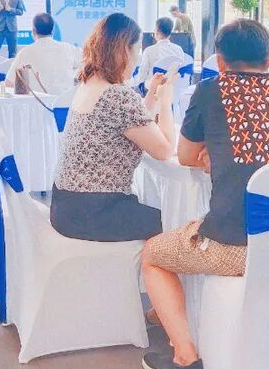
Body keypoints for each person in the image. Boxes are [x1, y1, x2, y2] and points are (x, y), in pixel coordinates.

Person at [140, 19, 269, 369]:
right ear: (268, 59)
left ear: (220, 61)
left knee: (153, 254)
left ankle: (185, 357)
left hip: (236, 246)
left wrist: (212, 152)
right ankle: (166, 314)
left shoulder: (212, 90)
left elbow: (184, 156)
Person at [50, 13, 175, 242]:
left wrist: (152, 95)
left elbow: (133, 123)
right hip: (96, 212)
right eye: (137, 49)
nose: (138, 58)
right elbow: (165, 151)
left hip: (65, 206)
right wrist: (166, 103)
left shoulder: (89, 83)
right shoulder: (117, 95)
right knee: (176, 221)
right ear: (124, 50)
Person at [4, 12, 80, 94]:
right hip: (67, 101)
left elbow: (9, 83)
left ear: (33, 31)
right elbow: (87, 64)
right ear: (53, 30)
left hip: (39, 101)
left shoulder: (25, 52)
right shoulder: (69, 48)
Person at [135, 16, 185, 90]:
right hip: (173, 89)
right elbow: (181, 71)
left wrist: (138, 85)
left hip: (153, 90)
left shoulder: (149, 51)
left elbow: (142, 74)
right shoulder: (178, 49)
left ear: (157, 31)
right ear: (170, 32)